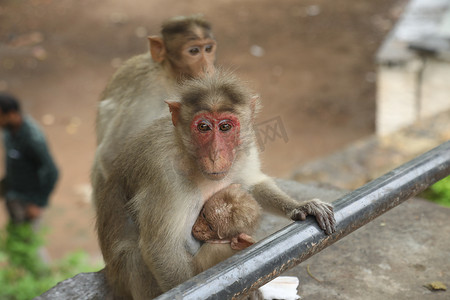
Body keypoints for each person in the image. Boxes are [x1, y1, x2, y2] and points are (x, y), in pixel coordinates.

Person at [0, 92, 58, 228]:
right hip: (13, 196)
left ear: (12, 114)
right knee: (15, 236)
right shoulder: (8, 133)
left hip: (29, 203)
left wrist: (38, 203)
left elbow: (52, 171)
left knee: (30, 243)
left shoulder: (33, 139)